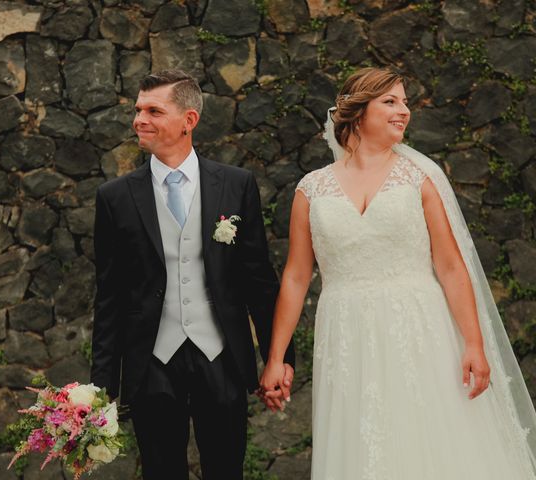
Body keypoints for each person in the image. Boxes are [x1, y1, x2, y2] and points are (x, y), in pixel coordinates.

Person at [259, 67, 536, 479]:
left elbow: (450, 266)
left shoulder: (419, 180)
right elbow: (297, 277)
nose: (403, 111)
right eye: (390, 101)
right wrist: (276, 358)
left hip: (421, 329)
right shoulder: (310, 190)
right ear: (357, 110)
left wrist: (474, 344)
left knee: (431, 439)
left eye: (405, 102)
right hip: (346, 334)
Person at [91, 69, 295, 480]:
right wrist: (100, 390)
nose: (139, 120)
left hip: (220, 356)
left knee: (226, 469)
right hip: (152, 361)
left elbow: (259, 281)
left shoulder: (236, 186)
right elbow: (109, 297)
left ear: (189, 120)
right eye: (137, 110)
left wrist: (280, 360)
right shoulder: (114, 198)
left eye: (153, 110)